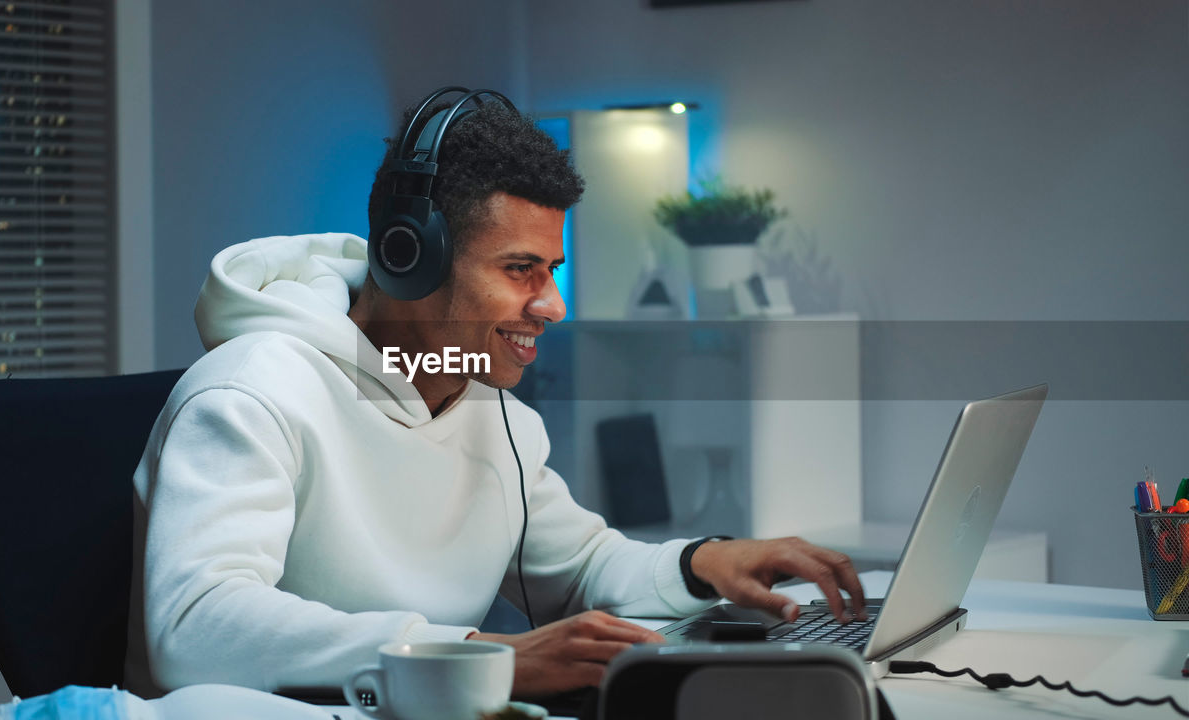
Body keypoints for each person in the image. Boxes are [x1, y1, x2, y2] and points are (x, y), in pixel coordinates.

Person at [125, 87, 865, 699]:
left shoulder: (494, 417)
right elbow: (194, 628)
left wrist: (703, 562)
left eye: (553, 270)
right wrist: (473, 654)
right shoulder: (251, 392)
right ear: (408, 257)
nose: (553, 304)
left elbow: (578, 569)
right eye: (521, 271)